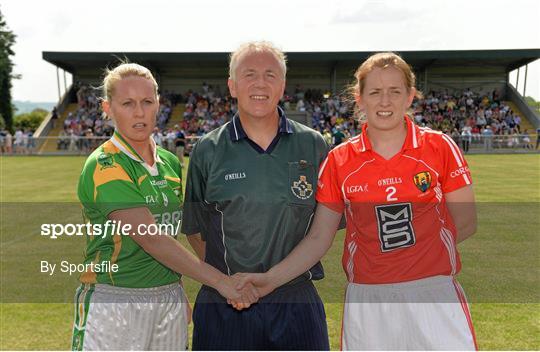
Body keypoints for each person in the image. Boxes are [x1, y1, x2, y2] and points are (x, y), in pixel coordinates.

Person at [236, 52, 478, 350]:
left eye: (395, 91)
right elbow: (319, 237)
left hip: (433, 293)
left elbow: (465, 222)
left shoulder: (439, 147)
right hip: (368, 298)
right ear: (359, 98)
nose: (385, 101)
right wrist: (271, 279)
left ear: (410, 96)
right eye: (375, 92)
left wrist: (406, 260)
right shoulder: (340, 161)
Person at [72, 62, 255, 351]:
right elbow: (151, 238)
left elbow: (171, 237)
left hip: (167, 299)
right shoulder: (105, 165)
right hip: (115, 300)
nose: (139, 112)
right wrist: (222, 282)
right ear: (107, 108)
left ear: (159, 104)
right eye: (127, 103)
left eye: (147, 102)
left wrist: (178, 289)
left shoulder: (169, 162)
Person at [181, 41, 330, 350]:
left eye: (270, 74)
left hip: (296, 301)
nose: (260, 83)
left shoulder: (314, 146)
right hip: (226, 303)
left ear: (283, 85)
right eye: (249, 74)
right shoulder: (208, 150)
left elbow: (322, 231)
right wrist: (232, 282)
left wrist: (274, 278)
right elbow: (197, 230)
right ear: (232, 86)